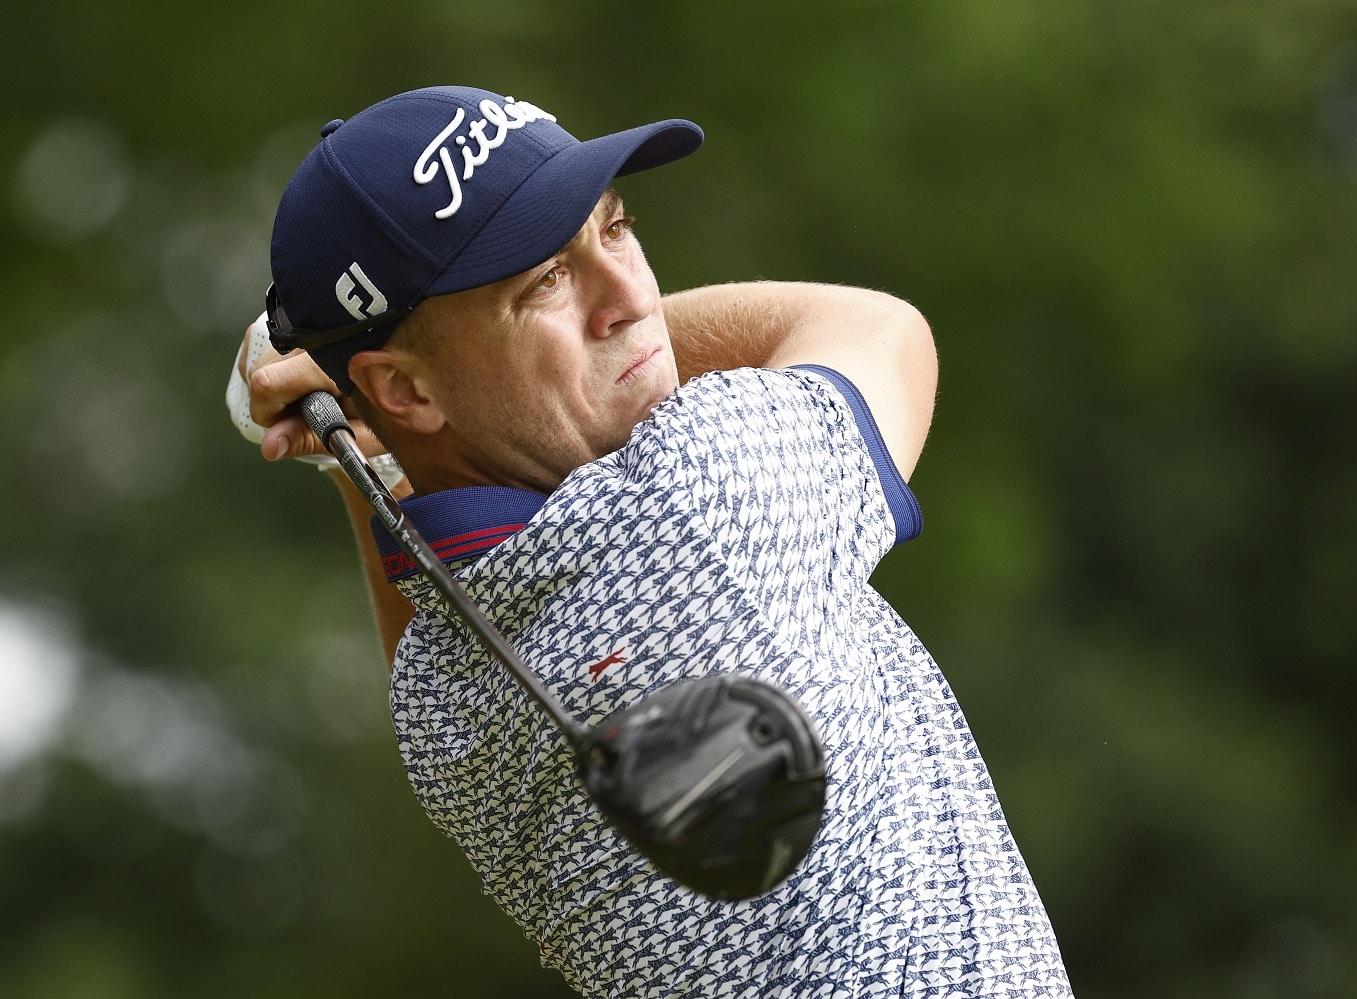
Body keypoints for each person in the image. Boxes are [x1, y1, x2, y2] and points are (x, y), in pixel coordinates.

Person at [230, 84, 1073, 997]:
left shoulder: (441, 712)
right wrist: (359, 406)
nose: (632, 296)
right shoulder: (698, 501)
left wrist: (360, 439)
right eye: (546, 280)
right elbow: (882, 330)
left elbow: (441, 588)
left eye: (616, 228)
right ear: (408, 390)